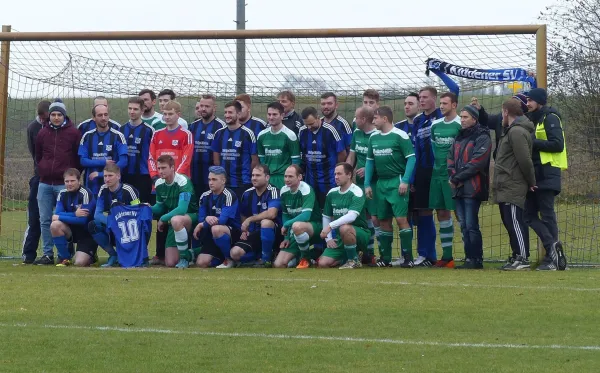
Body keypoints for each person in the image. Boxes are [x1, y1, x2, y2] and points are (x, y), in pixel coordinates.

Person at [364, 106, 416, 267]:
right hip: (381, 184)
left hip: (396, 182)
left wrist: (405, 180)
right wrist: (367, 183)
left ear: (384, 119)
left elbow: (412, 158)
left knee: (401, 219)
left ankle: (408, 258)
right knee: (383, 220)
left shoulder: (399, 135)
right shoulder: (373, 137)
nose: (373, 121)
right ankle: (385, 258)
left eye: (375, 118)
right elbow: (369, 162)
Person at [33, 99, 82, 265]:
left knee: (64, 219)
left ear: (64, 115)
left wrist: (71, 176)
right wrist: (42, 169)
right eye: (53, 114)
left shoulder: (73, 133)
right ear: (49, 116)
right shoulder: (42, 133)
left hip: (64, 184)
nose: (56, 117)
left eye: (59, 114)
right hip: (45, 183)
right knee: (45, 219)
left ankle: (66, 252)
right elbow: (37, 155)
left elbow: (77, 157)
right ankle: (47, 254)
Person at [525, 88, 568, 271]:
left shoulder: (550, 117)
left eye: (530, 100)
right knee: (528, 215)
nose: (527, 103)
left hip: (548, 172)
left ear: (539, 101)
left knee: (547, 214)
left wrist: (532, 142)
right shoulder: (534, 119)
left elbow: (558, 145)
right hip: (536, 173)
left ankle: (552, 259)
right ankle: (553, 247)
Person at [491, 100, 536, 271]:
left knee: (516, 221)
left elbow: (525, 160)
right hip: (505, 184)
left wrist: (531, 181)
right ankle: (517, 255)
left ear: (505, 112)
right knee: (509, 222)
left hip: (513, 183)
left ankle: (522, 258)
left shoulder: (516, 132)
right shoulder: (510, 131)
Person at [147, 100, 193, 265]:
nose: (166, 117)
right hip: (161, 180)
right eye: (165, 114)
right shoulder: (157, 134)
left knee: (176, 216)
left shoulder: (185, 134)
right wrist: (155, 176)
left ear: (178, 115)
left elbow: (186, 158)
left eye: (170, 114)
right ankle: (160, 254)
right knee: (160, 212)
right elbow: (151, 157)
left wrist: (175, 177)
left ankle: (189, 254)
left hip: (177, 182)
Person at [448, 105, 492, 270]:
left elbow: (477, 162)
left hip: (473, 188)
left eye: (465, 117)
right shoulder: (459, 136)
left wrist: (457, 177)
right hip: (458, 187)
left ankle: (476, 259)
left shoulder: (482, 136)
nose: (462, 120)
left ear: (474, 118)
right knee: (464, 225)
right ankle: (469, 258)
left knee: (471, 224)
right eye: (461, 117)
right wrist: (453, 176)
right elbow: (450, 158)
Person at [411, 86, 445, 266]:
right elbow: (415, 149)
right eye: (420, 98)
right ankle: (426, 255)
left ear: (434, 98)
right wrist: (412, 177)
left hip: (439, 170)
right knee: (423, 211)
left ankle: (445, 256)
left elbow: (454, 90)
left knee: (442, 211)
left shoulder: (442, 116)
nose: (421, 100)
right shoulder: (417, 121)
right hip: (423, 171)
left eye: (425, 97)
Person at [428, 92, 462, 268]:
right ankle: (447, 256)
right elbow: (434, 149)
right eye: (440, 103)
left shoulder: (459, 124)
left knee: (459, 212)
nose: (441, 106)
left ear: (454, 105)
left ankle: (471, 254)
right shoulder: (435, 125)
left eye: (445, 103)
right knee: (441, 212)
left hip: (454, 175)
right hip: (437, 175)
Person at [319, 163, 371, 269]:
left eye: (339, 174)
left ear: (349, 175)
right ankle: (350, 256)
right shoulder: (332, 193)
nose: (336, 177)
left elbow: (351, 216)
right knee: (323, 263)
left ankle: (354, 260)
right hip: (340, 238)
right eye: (335, 174)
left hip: (359, 234)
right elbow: (326, 216)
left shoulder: (356, 192)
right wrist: (328, 239)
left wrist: (330, 226)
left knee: (345, 227)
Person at [151, 155, 198, 269]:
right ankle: (194, 253)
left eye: (164, 168)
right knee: (171, 262)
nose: (161, 171)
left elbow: (182, 209)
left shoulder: (183, 181)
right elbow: (160, 207)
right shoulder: (158, 184)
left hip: (192, 216)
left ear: (172, 167)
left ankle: (184, 259)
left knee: (176, 220)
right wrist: (146, 208)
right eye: (159, 168)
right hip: (173, 220)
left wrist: (163, 218)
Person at [230, 165, 282, 268]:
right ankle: (258, 257)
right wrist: (245, 230)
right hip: (254, 233)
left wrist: (250, 219)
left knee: (266, 222)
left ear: (267, 178)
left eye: (258, 175)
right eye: (253, 175)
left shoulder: (274, 191)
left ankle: (266, 260)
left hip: (274, 234)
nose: (254, 178)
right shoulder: (247, 194)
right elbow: (243, 214)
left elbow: (272, 214)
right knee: (234, 253)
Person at [89, 164, 141, 267]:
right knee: (93, 225)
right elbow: (97, 215)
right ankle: (113, 255)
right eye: (105, 176)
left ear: (118, 176)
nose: (107, 179)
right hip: (113, 225)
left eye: (110, 175)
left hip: (129, 227)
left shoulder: (129, 190)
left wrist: (121, 224)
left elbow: (138, 213)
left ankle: (136, 255)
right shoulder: (103, 189)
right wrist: (114, 223)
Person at [273, 165, 323, 269]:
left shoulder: (306, 189)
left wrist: (286, 225)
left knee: (297, 226)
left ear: (299, 177)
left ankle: (305, 258)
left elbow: (306, 216)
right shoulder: (284, 191)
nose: (287, 179)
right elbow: (285, 214)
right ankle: (298, 257)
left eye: (290, 176)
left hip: (315, 227)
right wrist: (286, 237)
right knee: (278, 264)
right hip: (296, 229)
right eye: (285, 176)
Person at [346, 105, 378, 264]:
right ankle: (365, 252)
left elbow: (384, 159)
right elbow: (351, 156)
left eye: (356, 117)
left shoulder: (378, 134)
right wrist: (346, 173)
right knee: (363, 216)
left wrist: (368, 169)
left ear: (364, 119)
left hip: (375, 183)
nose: (354, 119)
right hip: (358, 183)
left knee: (375, 217)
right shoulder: (357, 133)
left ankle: (373, 253)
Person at [193, 166, 241, 269]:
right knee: (201, 263)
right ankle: (219, 258)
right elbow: (201, 218)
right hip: (213, 235)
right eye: (209, 179)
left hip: (232, 233)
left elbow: (223, 220)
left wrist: (203, 223)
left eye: (214, 179)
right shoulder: (204, 196)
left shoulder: (229, 196)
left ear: (223, 181)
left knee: (216, 229)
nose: (210, 182)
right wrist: (205, 219)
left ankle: (229, 259)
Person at [298, 106, 346, 207]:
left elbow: (342, 153)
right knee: (313, 208)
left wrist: (336, 171)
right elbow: (302, 153)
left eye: (311, 124)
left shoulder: (331, 130)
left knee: (329, 209)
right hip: (310, 178)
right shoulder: (302, 131)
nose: (309, 127)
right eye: (307, 125)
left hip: (329, 179)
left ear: (318, 118)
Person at [22, 100, 50, 264]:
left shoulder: (58, 127)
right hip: (39, 177)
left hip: (58, 178)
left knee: (60, 217)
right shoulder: (33, 127)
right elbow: (35, 154)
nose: (45, 120)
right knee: (35, 218)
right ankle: (28, 254)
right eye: (43, 118)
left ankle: (65, 254)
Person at [211, 101, 258, 199]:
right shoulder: (219, 133)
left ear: (239, 114)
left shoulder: (248, 134)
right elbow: (216, 160)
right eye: (225, 112)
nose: (227, 115)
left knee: (242, 213)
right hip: (223, 183)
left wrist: (248, 175)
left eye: (230, 112)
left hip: (243, 183)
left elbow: (254, 161)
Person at [50, 169, 97, 267]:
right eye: (67, 181)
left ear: (79, 181)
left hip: (86, 233)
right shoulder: (62, 193)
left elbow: (82, 220)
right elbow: (57, 215)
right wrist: (74, 214)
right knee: (55, 225)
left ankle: (92, 255)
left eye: (72, 181)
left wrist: (62, 215)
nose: (69, 184)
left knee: (80, 263)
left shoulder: (85, 194)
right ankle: (65, 258)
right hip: (71, 231)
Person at [79, 103, 128, 195]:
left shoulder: (118, 136)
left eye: (106, 114)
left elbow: (123, 161)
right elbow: (83, 161)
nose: (103, 118)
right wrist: (104, 162)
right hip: (92, 185)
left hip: (113, 187)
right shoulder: (87, 136)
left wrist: (102, 174)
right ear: (93, 118)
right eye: (100, 115)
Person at [188, 94, 226, 197]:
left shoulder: (221, 127)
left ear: (214, 108)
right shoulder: (193, 126)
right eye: (201, 106)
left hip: (212, 176)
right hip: (194, 174)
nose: (203, 109)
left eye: (207, 106)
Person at [120, 96, 155, 203]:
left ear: (142, 110)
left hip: (143, 175)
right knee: (125, 204)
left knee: (142, 204)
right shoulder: (121, 129)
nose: (132, 111)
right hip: (124, 174)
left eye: (135, 109)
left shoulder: (149, 130)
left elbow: (153, 154)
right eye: (130, 108)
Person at [257, 102, 301, 189]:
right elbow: (261, 160)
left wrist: (290, 179)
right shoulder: (261, 135)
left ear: (282, 115)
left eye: (274, 114)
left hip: (283, 179)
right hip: (267, 178)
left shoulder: (290, 135)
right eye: (269, 114)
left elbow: (295, 161)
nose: (271, 117)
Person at [471, 93, 529, 159]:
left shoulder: (525, 124)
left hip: (513, 164)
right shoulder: (500, 118)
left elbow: (524, 158)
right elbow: (486, 120)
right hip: (500, 161)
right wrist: (480, 110)